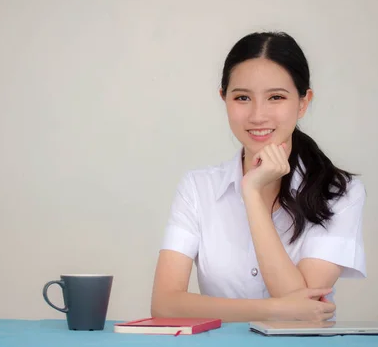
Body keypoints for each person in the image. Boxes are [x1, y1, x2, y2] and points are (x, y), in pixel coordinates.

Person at [150, 31, 366, 323]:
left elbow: (303, 318)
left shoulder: (340, 192)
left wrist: (251, 194)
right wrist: (273, 309)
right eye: (242, 98)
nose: (257, 115)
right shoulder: (197, 188)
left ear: (303, 103)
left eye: (276, 97)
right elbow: (164, 305)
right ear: (224, 99)